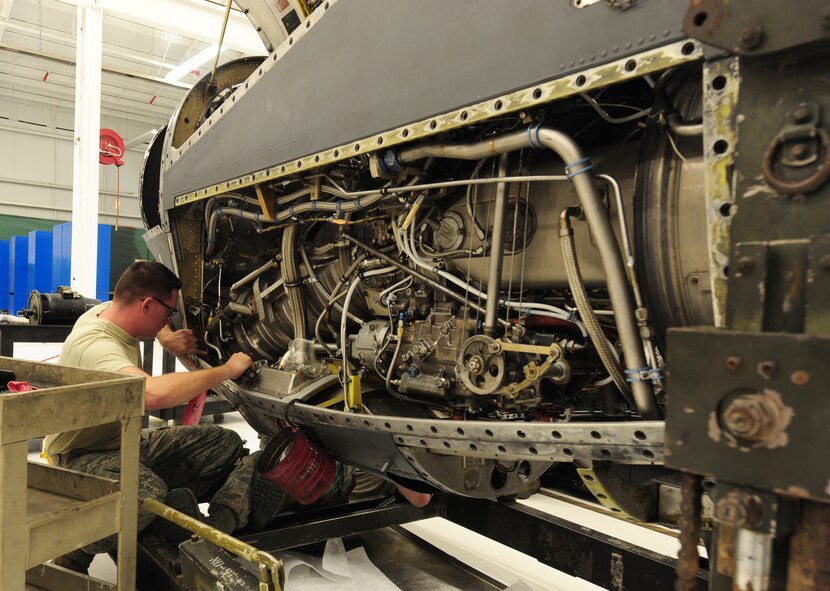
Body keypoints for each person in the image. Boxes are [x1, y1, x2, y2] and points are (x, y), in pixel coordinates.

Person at [44, 261, 257, 574]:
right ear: (146, 304)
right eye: (168, 313)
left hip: (121, 441)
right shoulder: (97, 345)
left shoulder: (109, 310)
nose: (168, 319)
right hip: (80, 456)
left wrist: (166, 336)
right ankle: (73, 550)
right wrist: (226, 370)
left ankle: (180, 515)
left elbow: (143, 303)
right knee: (146, 495)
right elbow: (151, 394)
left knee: (224, 443)